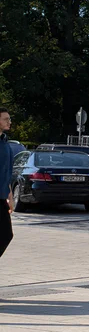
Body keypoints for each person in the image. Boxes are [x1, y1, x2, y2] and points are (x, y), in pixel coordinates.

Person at [0, 107, 14, 259]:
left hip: (1, 198)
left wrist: (10, 196)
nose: (9, 122)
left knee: (6, 235)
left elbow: (7, 173)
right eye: (5, 119)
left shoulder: (5, 143)